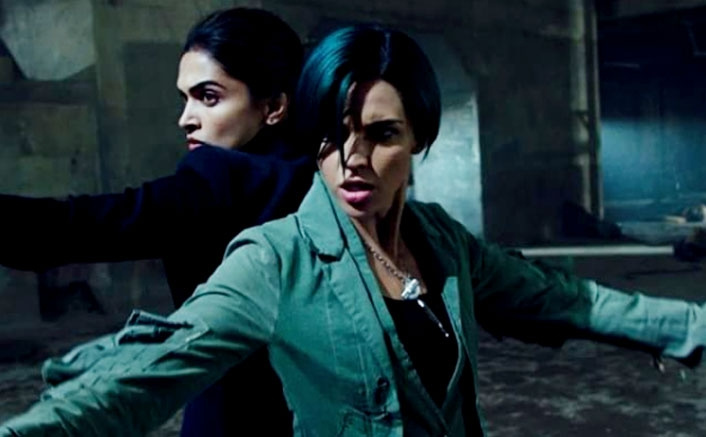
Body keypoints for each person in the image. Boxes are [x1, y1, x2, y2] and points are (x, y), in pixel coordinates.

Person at [3, 25, 706, 436]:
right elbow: (139, 380)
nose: (354, 159)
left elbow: (566, 299)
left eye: (382, 134)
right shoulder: (272, 257)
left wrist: (691, 326)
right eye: (333, 136)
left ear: (419, 138)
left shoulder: (442, 241)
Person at [0, 8, 312, 436]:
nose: (186, 118)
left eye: (209, 97)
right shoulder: (329, 174)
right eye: (185, 98)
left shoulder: (218, 181)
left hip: (231, 413)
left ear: (273, 105)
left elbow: (84, 225)